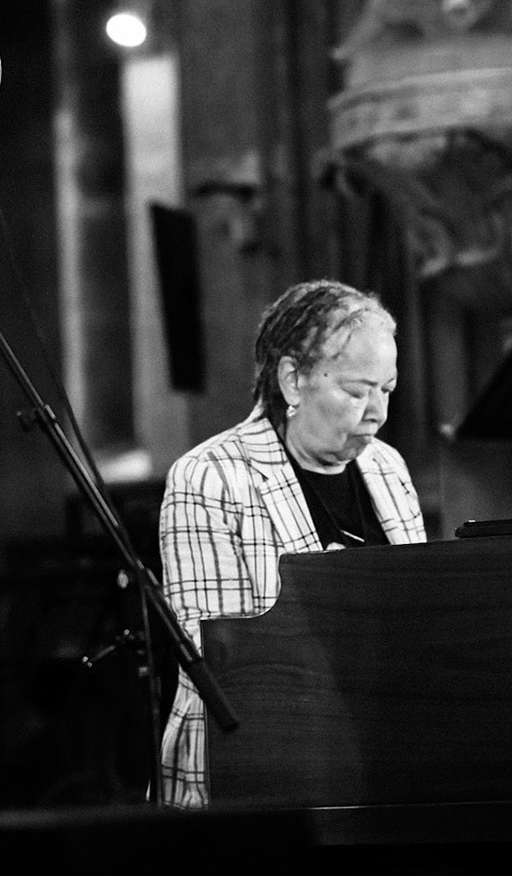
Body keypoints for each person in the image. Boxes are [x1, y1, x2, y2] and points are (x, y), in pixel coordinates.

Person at [156, 280, 427, 808]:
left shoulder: (386, 467)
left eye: (387, 390)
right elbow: (213, 655)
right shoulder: (208, 476)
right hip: (244, 781)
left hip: (372, 758)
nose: (377, 413)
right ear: (292, 380)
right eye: (355, 391)